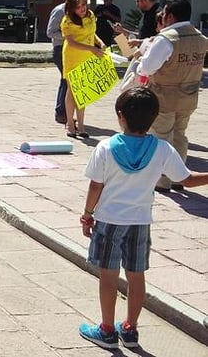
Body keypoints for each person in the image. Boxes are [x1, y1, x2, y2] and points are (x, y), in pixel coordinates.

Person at [78, 87, 208, 349]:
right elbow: (187, 179)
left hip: (109, 221)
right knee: (137, 276)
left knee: (109, 276)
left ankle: (106, 330)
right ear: (155, 117)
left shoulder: (105, 147)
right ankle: (130, 329)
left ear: (120, 116)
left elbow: (95, 187)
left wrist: (87, 214)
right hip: (140, 223)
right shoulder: (162, 149)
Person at [137, 0, 208, 192]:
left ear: (170, 16)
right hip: (189, 95)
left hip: (164, 96)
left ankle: (162, 180)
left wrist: (142, 60)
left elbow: (147, 67)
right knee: (180, 136)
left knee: (161, 136)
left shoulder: (167, 38)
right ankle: (180, 178)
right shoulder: (201, 38)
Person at [61, 0, 104, 138]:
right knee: (73, 90)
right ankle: (70, 124)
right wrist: (92, 48)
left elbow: (92, 32)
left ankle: (81, 125)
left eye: (83, 5)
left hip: (87, 57)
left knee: (83, 91)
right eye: (78, 7)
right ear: (72, 9)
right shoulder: (67, 21)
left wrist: (99, 42)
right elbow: (71, 42)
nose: (82, 9)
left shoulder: (91, 16)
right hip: (73, 57)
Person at [47, 0, 89, 125]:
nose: (83, 6)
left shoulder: (84, 15)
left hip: (77, 51)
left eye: (85, 3)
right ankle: (62, 113)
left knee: (69, 82)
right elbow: (50, 31)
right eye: (81, 2)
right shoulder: (61, 11)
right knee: (67, 81)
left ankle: (67, 113)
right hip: (61, 49)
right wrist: (69, 38)